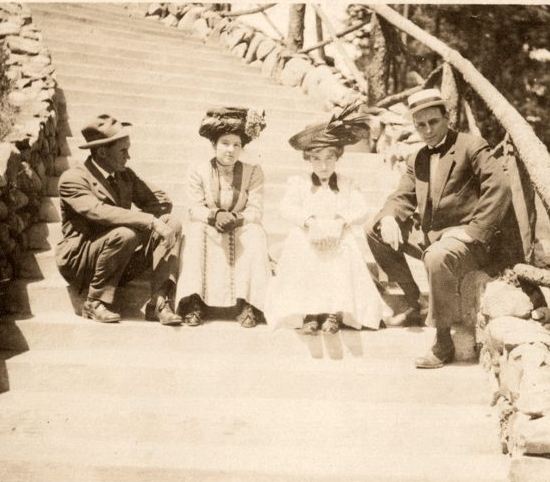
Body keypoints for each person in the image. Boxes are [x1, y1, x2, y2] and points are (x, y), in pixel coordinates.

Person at [367, 89, 524, 368]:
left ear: (447, 118)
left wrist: (474, 231)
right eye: (420, 125)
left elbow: (499, 187)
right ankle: (415, 302)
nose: (427, 130)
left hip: (473, 242)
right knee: (375, 228)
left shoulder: (471, 146)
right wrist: (390, 217)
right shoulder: (417, 158)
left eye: (433, 122)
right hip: (434, 237)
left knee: (437, 256)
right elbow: (402, 196)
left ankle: (442, 342)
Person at [264, 102, 389, 334]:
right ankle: (310, 311)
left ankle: (333, 311)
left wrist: (340, 222)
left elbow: (361, 210)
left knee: (344, 246)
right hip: (310, 236)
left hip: (337, 238)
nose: (323, 166)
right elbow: (286, 207)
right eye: (317, 159)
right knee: (301, 243)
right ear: (308, 160)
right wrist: (310, 223)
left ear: (338, 157)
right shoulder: (298, 182)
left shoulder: (347, 183)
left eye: (329, 158)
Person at [56, 114, 183, 325]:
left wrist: (150, 224)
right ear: (102, 152)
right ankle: (93, 302)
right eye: (123, 151)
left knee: (172, 222)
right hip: (82, 261)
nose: (128, 157)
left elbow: (161, 202)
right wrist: (147, 222)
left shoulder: (123, 175)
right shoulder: (73, 179)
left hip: (118, 258)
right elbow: (99, 211)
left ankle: (158, 302)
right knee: (127, 232)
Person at [176, 107, 271, 328]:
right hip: (210, 225)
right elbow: (194, 208)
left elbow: (255, 210)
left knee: (255, 232)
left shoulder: (253, 172)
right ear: (214, 145)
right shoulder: (197, 170)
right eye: (225, 143)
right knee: (196, 230)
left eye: (236, 144)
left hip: (239, 226)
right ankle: (194, 302)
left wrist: (235, 219)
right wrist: (216, 215)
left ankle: (247, 304)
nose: (230, 150)